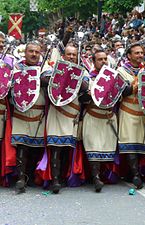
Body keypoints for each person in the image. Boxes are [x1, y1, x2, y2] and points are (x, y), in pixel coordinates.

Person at [46, 43, 89, 194]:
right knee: (55, 147)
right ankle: (55, 180)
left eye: (74, 55)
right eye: (68, 54)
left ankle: (63, 177)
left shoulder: (84, 73)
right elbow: (44, 80)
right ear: (63, 56)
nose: (71, 57)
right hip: (56, 112)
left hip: (71, 115)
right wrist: (60, 74)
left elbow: (86, 92)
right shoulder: (53, 69)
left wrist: (75, 75)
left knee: (66, 148)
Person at [11, 41, 52, 193]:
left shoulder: (45, 68)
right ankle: (20, 178)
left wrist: (37, 76)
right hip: (21, 111)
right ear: (25, 53)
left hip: (39, 113)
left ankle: (29, 175)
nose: (34, 54)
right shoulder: (17, 68)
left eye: (37, 52)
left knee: (36, 147)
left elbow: (50, 83)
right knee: (22, 145)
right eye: (31, 51)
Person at [117, 43, 145, 189]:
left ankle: (136, 172)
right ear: (129, 55)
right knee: (129, 142)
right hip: (128, 110)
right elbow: (122, 91)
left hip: (143, 111)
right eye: (137, 53)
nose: (140, 56)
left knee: (141, 143)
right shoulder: (121, 71)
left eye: (141, 53)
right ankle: (135, 174)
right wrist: (137, 85)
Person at [81, 50, 118, 192]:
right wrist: (89, 95)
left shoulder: (114, 78)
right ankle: (96, 178)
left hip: (108, 117)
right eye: (100, 59)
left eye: (105, 59)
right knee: (93, 148)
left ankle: (103, 175)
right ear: (94, 62)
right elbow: (80, 99)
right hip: (93, 116)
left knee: (106, 148)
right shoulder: (88, 78)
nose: (103, 62)